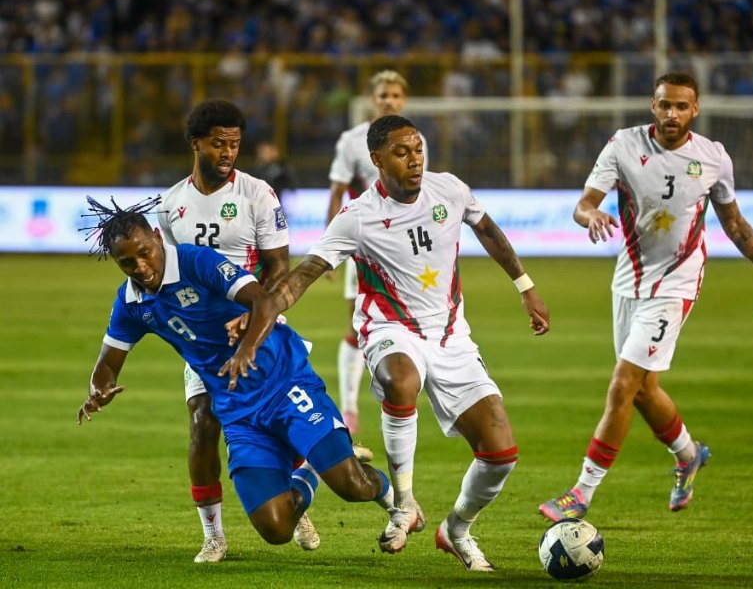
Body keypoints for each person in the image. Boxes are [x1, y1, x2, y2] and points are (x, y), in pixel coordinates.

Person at [232, 115, 550, 572]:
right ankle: (404, 504)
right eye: (402, 153)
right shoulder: (358, 217)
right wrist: (265, 311)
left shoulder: (450, 190)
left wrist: (525, 285)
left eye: (419, 149)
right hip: (389, 330)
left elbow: (488, 231)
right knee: (401, 382)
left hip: (451, 335)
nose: (415, 160)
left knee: (501, 455)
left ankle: (457, 528)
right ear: (377, 160)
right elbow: (303, 275)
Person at [75, 197, 396, 557]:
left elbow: (264, 302)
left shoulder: (198, 262)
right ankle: (309, 471)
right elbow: (108, 362)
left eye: (145, 252)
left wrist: (245, 349)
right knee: (276, 529)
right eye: (127, 262)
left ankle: (399, 503)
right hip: (237, 408)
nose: (141, 266)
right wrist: (97, 389)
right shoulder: (132, 302)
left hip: (282, 380)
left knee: (352, 485)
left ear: (155, 236)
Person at [538, 71, 753, 522]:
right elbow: (583, 203)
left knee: (623, 384)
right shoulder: (623, 145)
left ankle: (581, 492)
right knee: (645, 390)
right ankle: (689, 454)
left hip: (678, 281)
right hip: (628, 279)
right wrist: (590, 215)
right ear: (653, 106)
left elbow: (733, 221)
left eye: (681, 106)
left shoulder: (712, 157)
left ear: (696, 110)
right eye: (664, 105)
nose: (672, 114)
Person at [155, 99, 320, 561]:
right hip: (203, 337)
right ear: (196, 143)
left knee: (278, 421)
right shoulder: (171, 205)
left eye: (235, 143)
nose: (228, 151)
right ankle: (213, 535)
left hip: (258, 322)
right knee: (203, 422)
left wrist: (252, 314)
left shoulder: (258, 194)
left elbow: (279, 265)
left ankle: (297, 488)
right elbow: (165, 274)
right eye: (218, 143)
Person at [325, 70, 428, 434]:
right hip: (366, 245)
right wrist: (331, 247)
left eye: (396, 96)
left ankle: (402, 388)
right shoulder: (352, 141)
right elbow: (338, 191)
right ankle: (350, 408)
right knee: (356, 323)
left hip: (406, 250)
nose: (390, 101)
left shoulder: (416, 140)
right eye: (384, 95)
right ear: (373, 98)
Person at [251, 140, 297, 205]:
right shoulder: (254, 170)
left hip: (277, 205)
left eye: (267, 151)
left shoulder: (283, 168)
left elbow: (291, 186)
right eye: (261, 151)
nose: (262, 154)